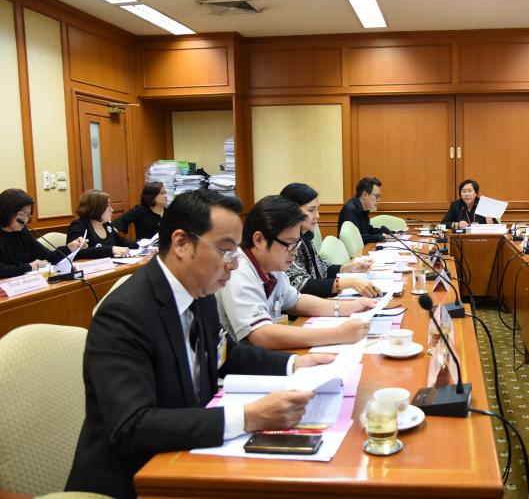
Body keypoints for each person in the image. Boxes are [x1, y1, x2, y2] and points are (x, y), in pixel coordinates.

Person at [65, 189, 333, 499]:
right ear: (181, 243)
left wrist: (295, 364)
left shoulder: (199, 292)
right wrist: (248, 417)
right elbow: (132, 426)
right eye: (225, 250)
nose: (234, 264)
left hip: (191, 455)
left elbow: (226, 355)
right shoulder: (124, 314)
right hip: (135, 480)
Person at [218, 195, 377, 351]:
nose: (295, 251)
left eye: (297, 243)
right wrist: (337, 334)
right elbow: (261, 335)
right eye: (290, 243)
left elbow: (295, 302)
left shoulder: (271, 264)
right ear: (259, 240)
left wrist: (349, 307)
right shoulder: (238, 272)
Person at [281, 183, 380, 298]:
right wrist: (345, 283)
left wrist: (348, 268)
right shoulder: (286, 242)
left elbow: (321, 267)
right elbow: (298, 285)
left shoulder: (305, 236)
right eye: (311, 210)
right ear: (292, 211)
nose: (317, 215)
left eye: (317, 209)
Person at [0, 188, 84, 278]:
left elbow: (47, 257)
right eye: (21, 214)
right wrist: (30, 266)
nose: (25, 220)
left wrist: (69, 248)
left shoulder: (23, 232)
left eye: (28, 215)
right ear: (6, 211)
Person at [67, 190, 138, 259]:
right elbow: (77, 252)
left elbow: (123, 242)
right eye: (107, 206)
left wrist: (140, 245)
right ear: (95, 208)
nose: (112, 210)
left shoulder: (106, 225)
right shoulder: (78, 226)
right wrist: (111, 250)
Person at [337, 176, 386, 243]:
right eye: (377, 196)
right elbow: (356, 238)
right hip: (352, 250)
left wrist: (386, 233)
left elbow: (368, 231)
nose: (379, 200)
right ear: (365, 195)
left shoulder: (364, 209)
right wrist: (380, 237)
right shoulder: (350, 210)